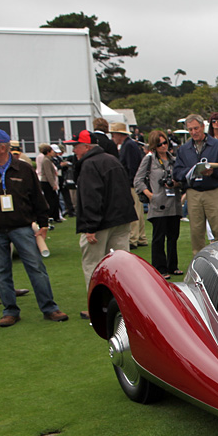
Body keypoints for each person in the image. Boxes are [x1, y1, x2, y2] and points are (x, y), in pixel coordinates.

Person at [0, 128, 68, 326]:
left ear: (2, 148)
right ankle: (10, 310)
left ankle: (49, 308)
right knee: (1, 271)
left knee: (36, 268)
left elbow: (38, 198)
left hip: (21, 227)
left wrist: (44, 224)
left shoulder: (24, 168)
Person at [71, 129, 137, 310]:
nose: (74, 150)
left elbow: (91, 197)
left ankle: (99, 306)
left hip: (101, 223)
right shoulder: (111, 159)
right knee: (120, 265)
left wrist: (90, 226)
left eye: (76, 146)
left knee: (94, 265)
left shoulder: (89, 164)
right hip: (121, 219)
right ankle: (124, 303)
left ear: (86, 146)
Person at [172, 114, 218, 256]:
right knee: (196, 232)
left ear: (203, 127)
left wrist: (213, 172)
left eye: (196, 128)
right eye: (190, 130)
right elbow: (177, 172)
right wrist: (190, 173)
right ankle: (199, 265)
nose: (193, 132)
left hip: (214, 191)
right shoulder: (184, 149)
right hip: (194, 192)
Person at [135, 130, 182, 277]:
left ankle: (173, 265)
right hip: (158, 203)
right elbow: (138, 180)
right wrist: (150, 195)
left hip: (174, 202)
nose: (163, 146)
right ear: (154, 145)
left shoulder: (174, 160)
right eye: (160, 144)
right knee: (159, 237)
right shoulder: (149, 160)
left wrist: (176, 183)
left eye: (165, 142)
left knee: (173, 236)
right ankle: (160, 268)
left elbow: (181, 177)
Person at [112, 122, 148, 248]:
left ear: (118, 134)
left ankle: (134, 238)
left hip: (132, 183)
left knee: (134, 211)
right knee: (138, 210)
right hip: (134, 182)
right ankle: (141, 237)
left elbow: (132, 166)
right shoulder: (129, 145)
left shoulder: (128, 146)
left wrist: (131, 181)